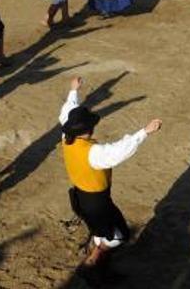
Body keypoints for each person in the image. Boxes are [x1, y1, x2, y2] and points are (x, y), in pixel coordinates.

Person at [57, 76, 162, 283]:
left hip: (80, 197)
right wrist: (145, 132)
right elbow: (118, 151)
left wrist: (73, 91)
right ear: (89, 130)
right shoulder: (94, 153)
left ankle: (98, 257)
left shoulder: (66, 139)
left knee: (101, 230)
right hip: (97, 202)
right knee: (119, 236)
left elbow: (66, 113)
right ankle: (94, 260)